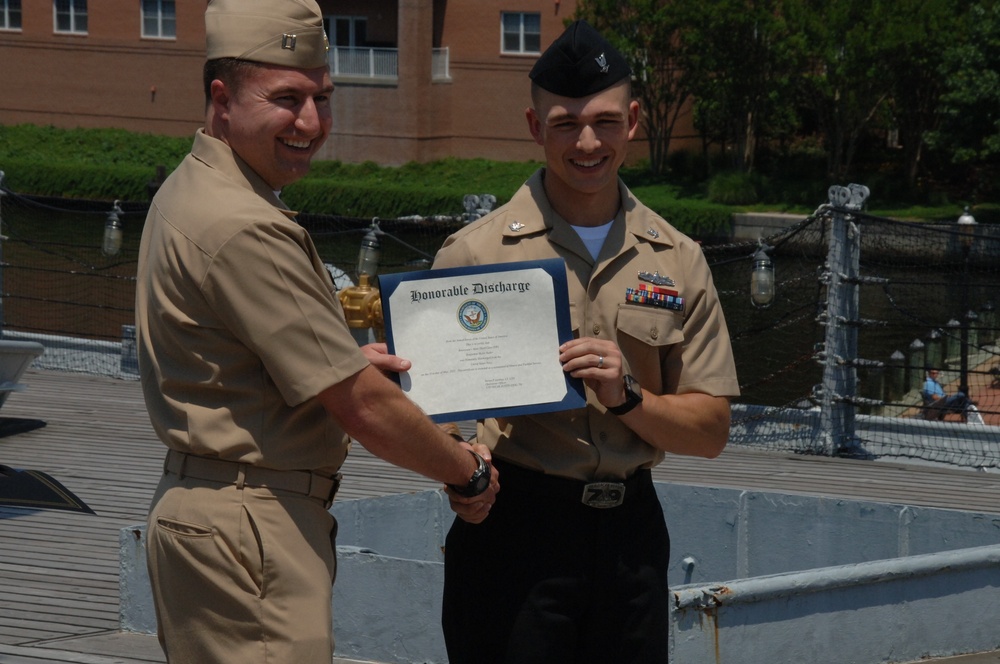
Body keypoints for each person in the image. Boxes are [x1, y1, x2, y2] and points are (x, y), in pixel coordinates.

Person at [134, 1, 497, 662]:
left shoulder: (189, 191)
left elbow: (255, 365)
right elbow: (358, 404)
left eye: (322, 98)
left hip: (208, 515)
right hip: (253, 528)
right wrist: (465, 471)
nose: (311, 122)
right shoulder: (247, 225)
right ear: (222, 98)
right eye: (287, 99)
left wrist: (348, 365)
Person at [433, 20, 740, 664]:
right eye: (565, 124)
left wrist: (629, 396)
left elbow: (709, 431)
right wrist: (461, 468)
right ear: (532, 125)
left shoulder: (678, 259)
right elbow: (427, 410)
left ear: (632, 120)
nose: (587, 142)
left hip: (630, 539)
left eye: (603, 121)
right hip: (514, 532)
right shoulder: (473, 255)